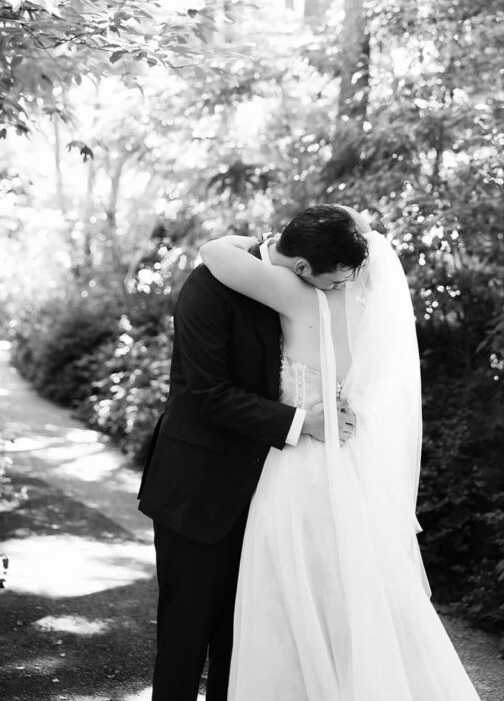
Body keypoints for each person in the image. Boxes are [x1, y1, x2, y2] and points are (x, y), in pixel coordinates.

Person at [198, 207, 483, 700]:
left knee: (287, 596)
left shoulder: (294, 290)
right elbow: (361, 227)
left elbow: (212, 254)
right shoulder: (363, 301)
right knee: (354, 593)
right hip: (350, 465)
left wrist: (256, 236)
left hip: (300, 462)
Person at [137, 205, 368, 701]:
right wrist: (302, 423)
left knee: (245, 639)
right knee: (185, 634)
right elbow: (205, 393)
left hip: (273, 494)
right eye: (329, 281)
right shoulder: (210, 285)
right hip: (199, 486)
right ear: (302, 266)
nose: (334, 290)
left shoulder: (306, 287)